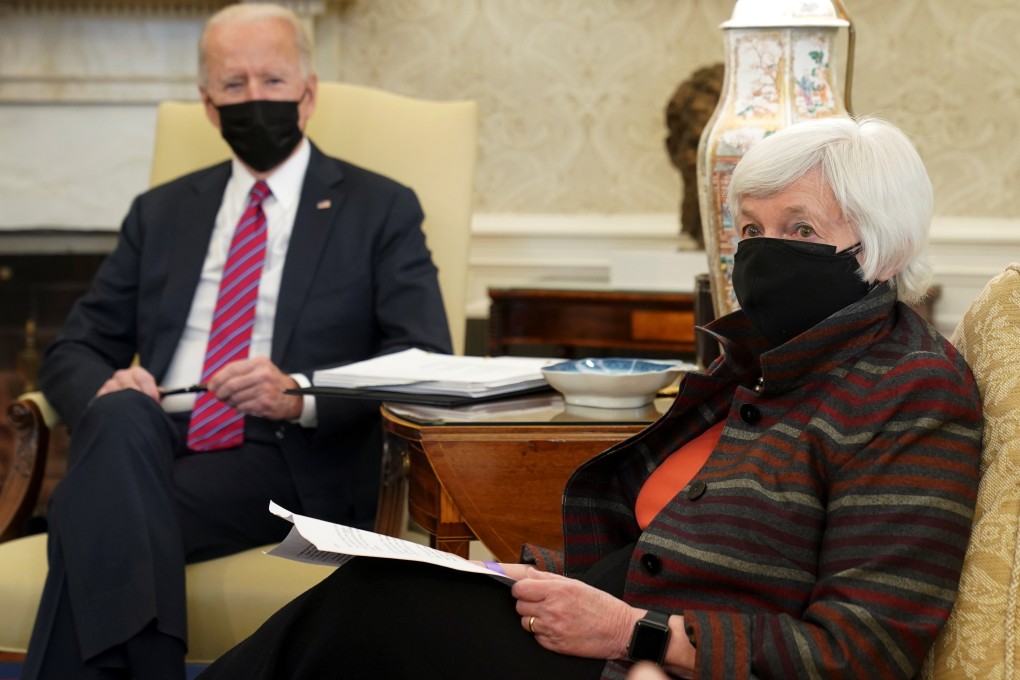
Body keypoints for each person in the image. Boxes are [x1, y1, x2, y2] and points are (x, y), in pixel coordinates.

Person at [197, 115, 983, 680]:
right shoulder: (761, 361)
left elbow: (863, 650)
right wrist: (531, 579)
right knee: (379, 595)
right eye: (750, 229)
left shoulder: (911, 387)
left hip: (650, 654)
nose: (766, 252)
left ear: (882, 246)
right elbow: (665, 542)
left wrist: (635, 635)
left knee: (370, 613)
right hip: (598, 619)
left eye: (801, 231)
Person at [21, 3, 452, 679]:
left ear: (308, 96)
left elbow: (423, 356)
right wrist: (107, 383)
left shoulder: (380, 208)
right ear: (208, 104)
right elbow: (71, 350)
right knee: (120, 412)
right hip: (155, 434)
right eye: (234, 84)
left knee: (86, 509)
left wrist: (299, 394)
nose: (255, 98)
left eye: (273, 81)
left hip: (283, 451)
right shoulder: (161, 211)